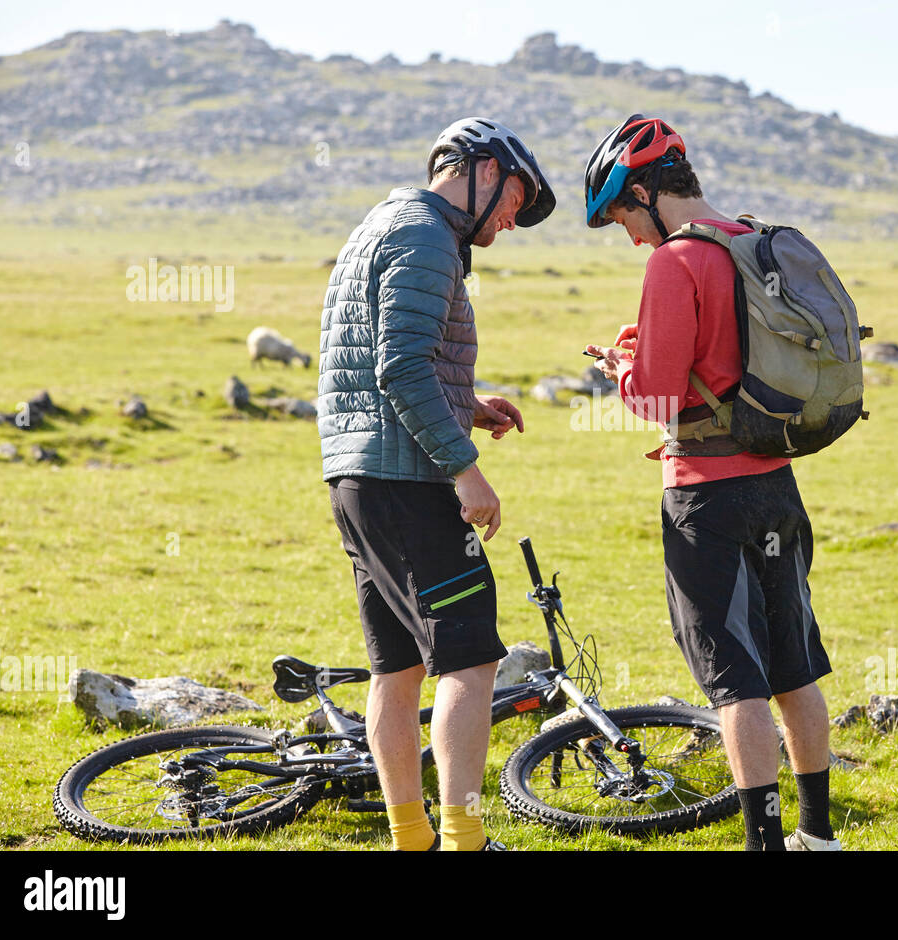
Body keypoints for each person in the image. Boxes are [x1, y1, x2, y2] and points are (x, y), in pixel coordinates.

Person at [583, 115, 840, 851]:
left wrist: (621, 370)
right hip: (777, 486)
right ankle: (818, 836)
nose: (631, 236)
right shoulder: (749, 239)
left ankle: (762, 842)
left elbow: (659, 400)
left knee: (737, 682)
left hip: (706, 495)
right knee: (794, 666)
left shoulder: (673, 263)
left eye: (625, 216)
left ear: (645, 192)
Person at [318, 117, 555, 851]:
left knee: (398, 665)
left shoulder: (385, 223)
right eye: (517, 193)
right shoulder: (424, 235)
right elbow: (401, 368)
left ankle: (412, 836)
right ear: (481, 170)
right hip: (410, 483)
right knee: (471, 659)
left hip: (359, 478)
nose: (515, 216)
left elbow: (381, 359)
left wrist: (468, 405)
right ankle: (464, 838)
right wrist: (464, 469)